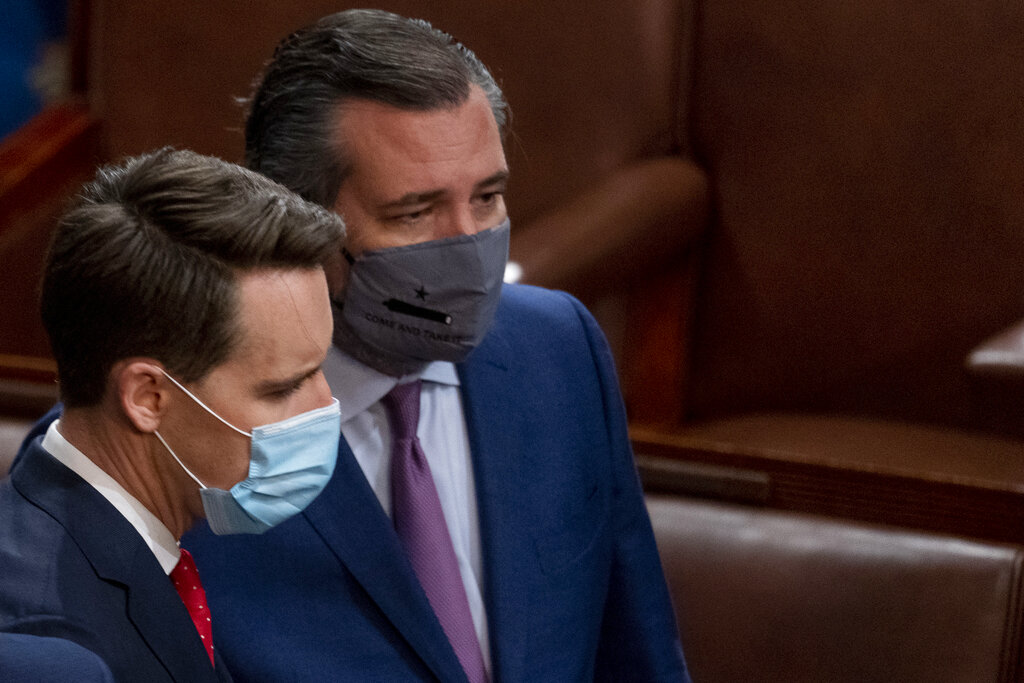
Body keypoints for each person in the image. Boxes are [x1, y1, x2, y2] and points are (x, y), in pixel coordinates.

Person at [0, 148, 344, 682]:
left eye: (321, 369)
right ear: (148, 397)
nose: (325, 406)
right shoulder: (51, 651)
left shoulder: (141, 536)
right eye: (283, 388)